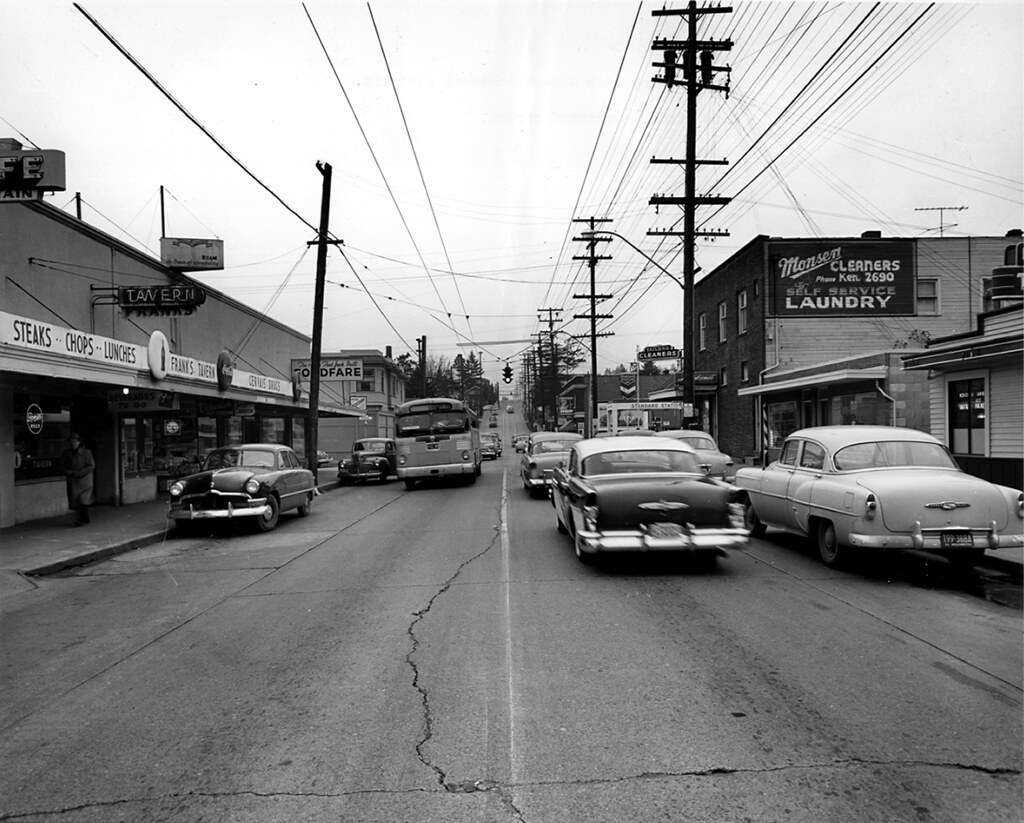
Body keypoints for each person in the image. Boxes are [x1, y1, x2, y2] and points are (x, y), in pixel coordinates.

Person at [60, 433, 95, 526]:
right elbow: (61, 465)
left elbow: (91, 465)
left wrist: (81, 472)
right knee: (76, 501)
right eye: (71, 442)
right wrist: (68, 472)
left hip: (85, 481)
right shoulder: (66, 454)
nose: (73, 443)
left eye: (75, 441)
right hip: (73, 481)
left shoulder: (86, 453)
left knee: (83, 500)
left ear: (79, 442)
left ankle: (83, 519)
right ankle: (82, 518)